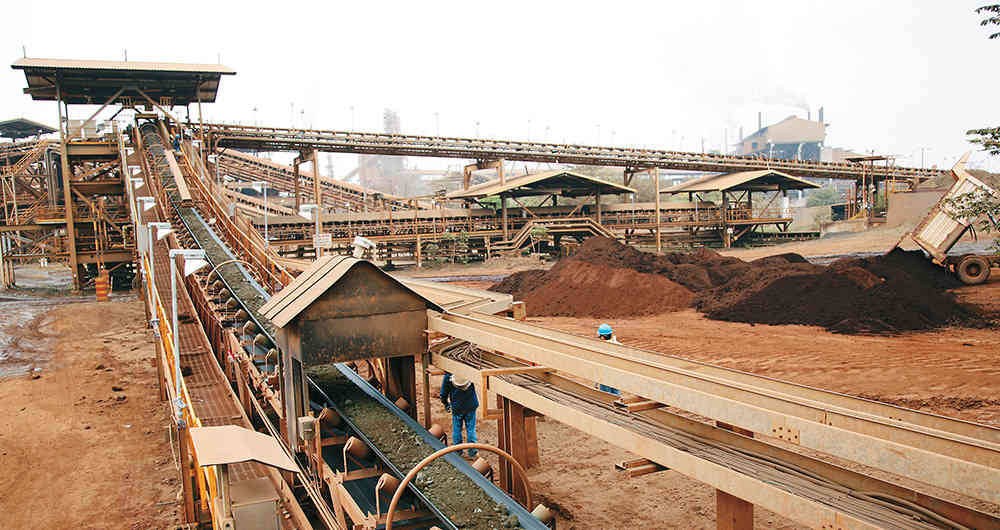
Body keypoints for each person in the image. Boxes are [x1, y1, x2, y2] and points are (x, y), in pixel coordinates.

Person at [440, 373, 479, 457]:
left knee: (457, 429)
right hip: (470, 406)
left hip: (457, 408)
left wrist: (446, 403)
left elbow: (443, 393)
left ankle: (458, 452)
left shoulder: (448, 376)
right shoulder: (468, 371)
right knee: (471, 429)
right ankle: (473, 453)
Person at [596, 324, 621, 395]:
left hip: (605, 375)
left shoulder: (602, 347)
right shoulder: (618, 345)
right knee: (616, 393)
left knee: (605, 395)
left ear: (603, 337)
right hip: (616, 373)